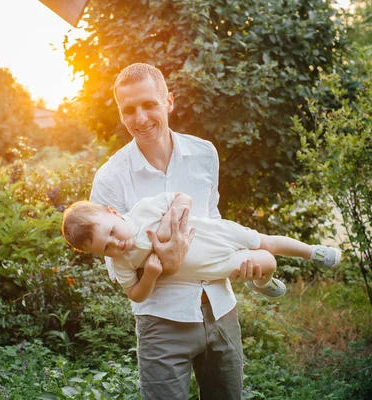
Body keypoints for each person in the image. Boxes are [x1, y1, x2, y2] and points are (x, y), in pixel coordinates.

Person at [88, 62, 265, 399]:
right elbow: (113, 262)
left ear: (169, 101)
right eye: (129, 110)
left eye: (149, 105)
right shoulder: (110, 178)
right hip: (161, 320)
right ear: (121, 114)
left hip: (220, 307)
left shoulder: (205, 154)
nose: (140, 118)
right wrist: (161, 261)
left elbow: (214, 222)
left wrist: (242, 260)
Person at [62, 192, 340, 302]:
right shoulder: (123, 264)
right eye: (106, 249)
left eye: (112, 232)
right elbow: (135, 295)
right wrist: (149, 276)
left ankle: (312, 251)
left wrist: (166, 225)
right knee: (267, 262)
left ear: (114, 213)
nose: (116, 244)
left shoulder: (144, 210)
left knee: (266, 241)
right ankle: (262, 282)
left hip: (215, 234)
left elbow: (183, 198)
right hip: (210, 266)